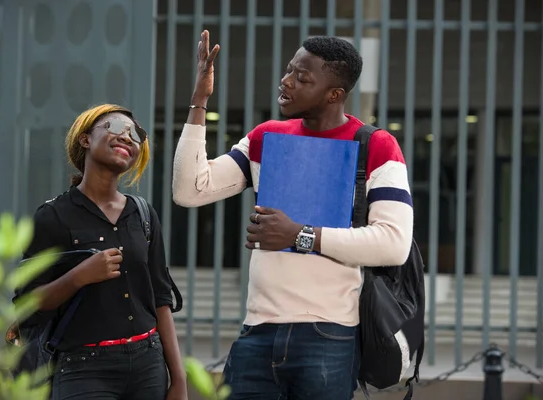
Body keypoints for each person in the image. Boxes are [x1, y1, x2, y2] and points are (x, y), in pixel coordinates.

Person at [172, 31, 413, 399]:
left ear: (335, 94)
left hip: (329, 336)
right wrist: (199, 102)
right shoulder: (266, 137)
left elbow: (393, 244)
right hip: (257, 332)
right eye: (289, 71)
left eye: (303, 78)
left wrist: (300, 235)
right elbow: (190, 190)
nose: (286, 82)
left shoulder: (376, 145)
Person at [18, 104, 187, 400]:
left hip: (148, 366)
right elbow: (27, 304)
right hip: (83, 369)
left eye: (135, 134)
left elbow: (161, 299)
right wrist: (78, 276)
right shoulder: (52, 216)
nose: (127, 137)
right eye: (114, 127)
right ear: (85, 139)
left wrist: (179, 379)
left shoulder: (144, 214)